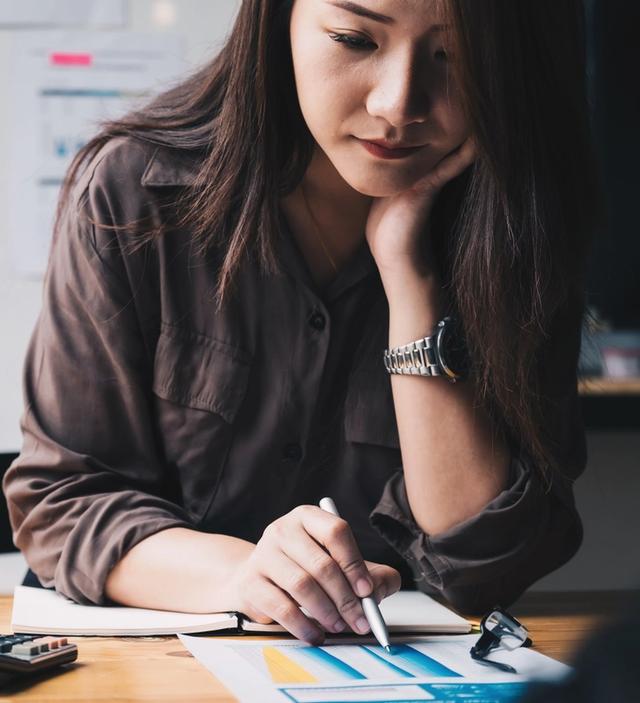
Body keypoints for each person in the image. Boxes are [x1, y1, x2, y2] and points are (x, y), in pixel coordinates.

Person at [2, 0, 601, 646]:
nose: (399, 104)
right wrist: (247, 574)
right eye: (354, 39)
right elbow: (62, 500)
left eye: (453, 57)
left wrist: (409, 277)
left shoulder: (520, 226)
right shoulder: (132, 192)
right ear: (278, 19)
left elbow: (485, 564)